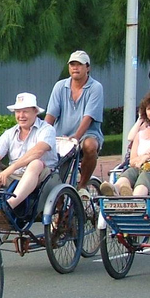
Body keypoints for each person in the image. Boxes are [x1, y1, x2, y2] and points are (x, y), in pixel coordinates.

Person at [0, 93, 58, 215]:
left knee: (35, 163)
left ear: (35, 112)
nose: (21, 116)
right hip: (14, 175)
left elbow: (37, 152)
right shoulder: (10, 133)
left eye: (25, 112)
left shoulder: (46, 129)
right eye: (18, 112)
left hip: (42, 176)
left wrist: (9, 170)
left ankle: (9, 206)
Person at [44, 50, 104, 199]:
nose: (75, 68)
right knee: (54, 174)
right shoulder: (60, 86)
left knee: (90, 146)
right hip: (61, 136)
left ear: (87, 67)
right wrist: (42, 134)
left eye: (79, 64)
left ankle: (82, 186)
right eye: (72, 64)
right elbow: (51, 115)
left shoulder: (95, 87)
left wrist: (75, 138)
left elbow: (88, 117)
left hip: (86, 135)